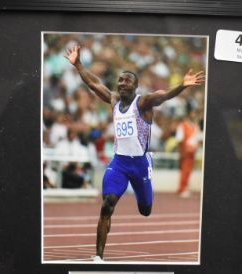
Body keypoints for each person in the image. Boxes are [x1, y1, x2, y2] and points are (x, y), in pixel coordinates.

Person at [64, 45, 205, 261]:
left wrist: (182, 86)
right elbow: (93, 83)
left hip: (140, 165)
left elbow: (163, 95)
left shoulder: (143, 103)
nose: (121, 83)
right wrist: (78, 64)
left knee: (145, 210)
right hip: (119, 163)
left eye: (127, 81)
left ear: (135, 86)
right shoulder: (113, 101)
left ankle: (146, 193)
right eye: (120, 80)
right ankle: (98, 257)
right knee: (107, 205)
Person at [175, 108, 202, 197]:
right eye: (192, 114)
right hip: (185, 151)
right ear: (188, 116)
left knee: (188, 171)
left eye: (194, 114)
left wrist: (196, 148)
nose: (193, 116)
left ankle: (184, 187)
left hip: (192, 151)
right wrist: (181, 152)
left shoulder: (195, 126)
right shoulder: (182, 126)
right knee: (185, 170)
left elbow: (197, 139)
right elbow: (179, 139)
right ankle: (182, 189)